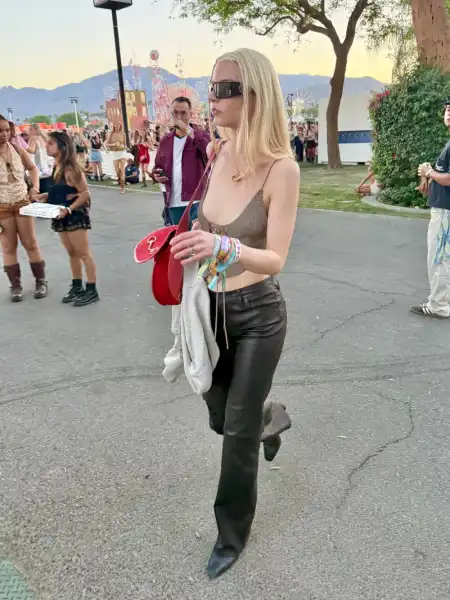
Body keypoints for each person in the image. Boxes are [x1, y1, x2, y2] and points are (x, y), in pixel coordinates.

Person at [170, 48, 300, 578]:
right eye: (211, 87)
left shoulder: (282, 170)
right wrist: (183, 243)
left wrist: (222, 248)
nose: (213, 98)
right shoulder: (217, 153)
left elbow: (276, 258)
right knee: (221, 417)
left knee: (237, 433)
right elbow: (204, 226)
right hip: (213, 309)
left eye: (225, 89)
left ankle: (230, 534)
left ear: (255, 96)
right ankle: (272, 418)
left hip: (260, 315)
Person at [38, 131, 99, 306]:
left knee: (84, 254)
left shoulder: (71, 168)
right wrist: (45, 196)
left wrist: (69, 209)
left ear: (62, 147)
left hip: (74, 215)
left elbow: (85, 193)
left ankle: (92, 289)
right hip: (60, 214)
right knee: (72, 253)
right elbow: (63, 191)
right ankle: (77, 286)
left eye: (51, 143)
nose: (46, 145)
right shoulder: (56, 166)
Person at [0, 115, 48, 302]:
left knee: (31, 243)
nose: (4, 134)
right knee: (8, 247)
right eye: (0, 131)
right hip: (2, 208)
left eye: (7, 130)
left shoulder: (17, 148)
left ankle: (41, 280)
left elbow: (33, 168)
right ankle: (15, 285)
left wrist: (34, 188)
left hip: (22, 202)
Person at [411, 103, 450, 318]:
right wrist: (430, 177)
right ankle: (444, 301)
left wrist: (429, 172)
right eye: (447, 109)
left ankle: (438, 306)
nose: (449, 113)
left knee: (439, 259)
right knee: (445, 259)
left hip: (445, 211)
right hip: (444, 208)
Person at [153, 97, 210, 225]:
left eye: (183, 113)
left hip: (196, 200)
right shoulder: (165, 141)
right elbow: (157, 165)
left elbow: (209, 151)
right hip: (173, 200)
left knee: (196, 236)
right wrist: (156, 174)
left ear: (190, 114)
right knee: (178, 236)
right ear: (171, 114)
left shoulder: (200, 135)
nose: (179, 117)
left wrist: (187, 130)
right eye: (175, 112)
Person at [106, 122, 127, 193]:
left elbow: (125, 145)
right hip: (115, 154)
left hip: (122, 153)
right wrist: (114, 144)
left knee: (122, 170)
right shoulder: (111, 134)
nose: (117, 126)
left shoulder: (123, 134)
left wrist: (122, 146)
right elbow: (107, 144)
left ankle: (122, 187)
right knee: (117, 171)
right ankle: (120, 180)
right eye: (116, 125)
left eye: (118, 125)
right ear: (114, 126)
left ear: (120, 126)